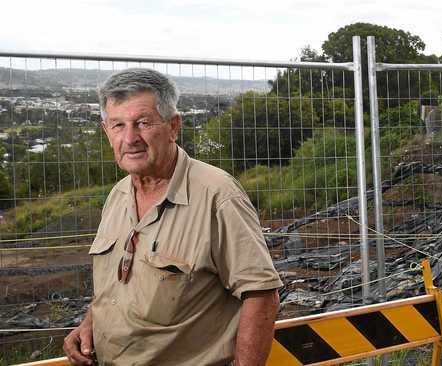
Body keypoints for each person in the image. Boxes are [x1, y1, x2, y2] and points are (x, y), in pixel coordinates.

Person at [63, 68, 282, 365]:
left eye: (143, 123)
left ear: (173, 126)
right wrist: (90, 323)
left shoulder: (217, 196)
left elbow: (261, 294)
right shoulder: (118, 195)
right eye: (117, 125)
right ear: (106, 131)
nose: (130, 138)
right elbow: (119, 285)